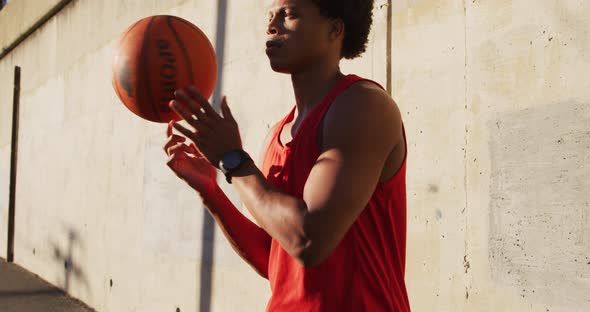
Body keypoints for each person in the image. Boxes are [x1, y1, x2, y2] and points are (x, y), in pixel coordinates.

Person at [164, 0, 410, 310]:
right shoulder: (277, 134)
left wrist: (233, 160)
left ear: (335, 28)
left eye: (288, 14)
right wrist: (211, 191)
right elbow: (277, 260)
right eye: (270, 15)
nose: (271, 25)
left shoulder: (363, 106)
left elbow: (307, 241)